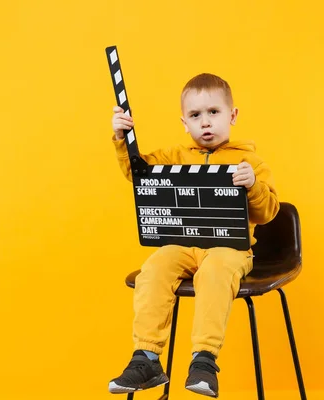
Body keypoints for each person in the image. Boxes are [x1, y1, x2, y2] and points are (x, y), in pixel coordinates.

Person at [108, 73, 279, 398]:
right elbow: (137, 173)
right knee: (154, 269)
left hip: (230, 248)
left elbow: (269, 211)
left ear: (232, 115)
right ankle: (146, 358)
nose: (205, 122)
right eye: (196, 115)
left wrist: (252, 185)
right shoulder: (173, 156)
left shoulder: (249, 162)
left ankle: (204, 360)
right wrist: (121, 137)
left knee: (214, 273)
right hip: (182, 243)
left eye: (213, 112)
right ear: (184, 122)